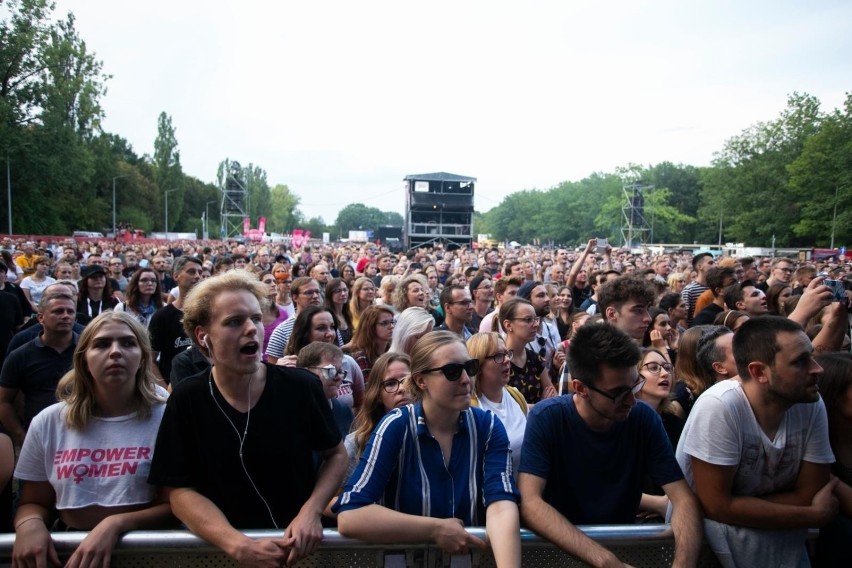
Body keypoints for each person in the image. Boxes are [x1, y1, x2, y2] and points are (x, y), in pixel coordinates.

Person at [148, 271, 348, 567]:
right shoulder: (188, 397)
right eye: (233, 322)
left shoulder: (301, 386)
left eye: (255, 318)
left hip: (297, 550)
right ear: (204, 336)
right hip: (220, 555)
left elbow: (336, 455)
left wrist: (312, 511)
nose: (252, 329)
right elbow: (177, 490)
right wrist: (235, 543)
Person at [518, 322, 702, 567]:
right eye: (618, 393)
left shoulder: (644, 419)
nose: (631, 401)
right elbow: (530, 503)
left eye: (635, 386)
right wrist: (606, 562)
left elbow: (683, 499)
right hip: (557, 551)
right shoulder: (547, 418)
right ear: (581, 388)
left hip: (624, 547)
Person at [334, 331, 521, 566]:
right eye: (451, 371)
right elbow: (351, 514)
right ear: (421, 380)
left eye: (470, 367)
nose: (465, 379)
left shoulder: (489, 426)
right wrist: (435, 529)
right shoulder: (396, 426)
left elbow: (501, 505)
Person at [675, 316, 837, 567]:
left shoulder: (811, 403)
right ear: (759, 371)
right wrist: (811, 514)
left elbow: (811, 491)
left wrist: (736, 507)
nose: (817, 369)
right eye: (800, 362)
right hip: (712, 553)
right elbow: (716, 505)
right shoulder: (720, 405)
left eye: (811, 356)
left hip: (783, 549)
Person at [13, 311, 171, 567]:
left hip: (149, 548)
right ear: (84, 358)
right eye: (102, 344)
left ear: (143, 357)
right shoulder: (49, 421)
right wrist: (29, 524)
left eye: (128, 343)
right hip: (70, 551)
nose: (115, 351)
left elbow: (176, 503)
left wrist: (116, 523)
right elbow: (33, 501)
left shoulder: (167, 417)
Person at [0, 292, 78, 446]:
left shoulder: (89, 350)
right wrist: (22, 437)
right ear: (40, 318)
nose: (65, 316)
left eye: (70, 312)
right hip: (39, 437)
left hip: (83, 433)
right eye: (58, 311)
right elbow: (3, 402)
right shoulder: (20, 356)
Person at [467, 332, 527, 476]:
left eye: (507, 354)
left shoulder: (516, 396)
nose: (507, 360)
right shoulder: (470, 409)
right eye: (499, 356)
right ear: (479, 364)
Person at [282, 305, 364, 410]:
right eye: (321, 328)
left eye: (332, 327)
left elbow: (360, 404)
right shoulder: (290, 369)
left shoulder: (347, 362)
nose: (329, 333)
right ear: (305, 333)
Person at [148, 256, 203, 384]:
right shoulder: (162, 316)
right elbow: (150, 359)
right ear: (176, 276)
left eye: (200, 272)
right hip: (172, 385)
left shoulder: (209, 313)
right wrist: (164, 389)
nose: (197, 276)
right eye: (191, 272)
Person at [498, 298, 556, 404]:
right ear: (508, 325)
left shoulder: (535, 359)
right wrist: (540, 405)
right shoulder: (499, 361)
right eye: (528, 320)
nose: (536, 324)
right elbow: (503, 405)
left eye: (535, 319)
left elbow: (552, 395)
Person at [298, 343, 353, 438]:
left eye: (340, 372)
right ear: (305, 372)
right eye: (330, 371)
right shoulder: (289, 412)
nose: (338, 378)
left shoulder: (343, 410)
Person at [344, 305, 394, 378]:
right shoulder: (361, 357)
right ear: (371, 327)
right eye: (385, 323)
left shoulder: (392, 350)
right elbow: (368, 388)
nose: (391, 326)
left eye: (392, 322)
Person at [325, 278, 354, 345]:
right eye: (338, 291)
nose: (343, 294)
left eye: (345, 290)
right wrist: (347, 347)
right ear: (330, 294)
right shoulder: (328, 315)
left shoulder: (346, 313)